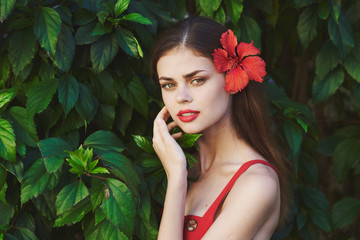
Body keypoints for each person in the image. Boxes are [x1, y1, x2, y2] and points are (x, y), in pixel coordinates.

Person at [151, 16, 291, 240]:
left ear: (232, 79)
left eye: (197, 80)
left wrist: (177, 177)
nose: (181, 98)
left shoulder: (257, 183)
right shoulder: (185, 162)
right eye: (169, 85)